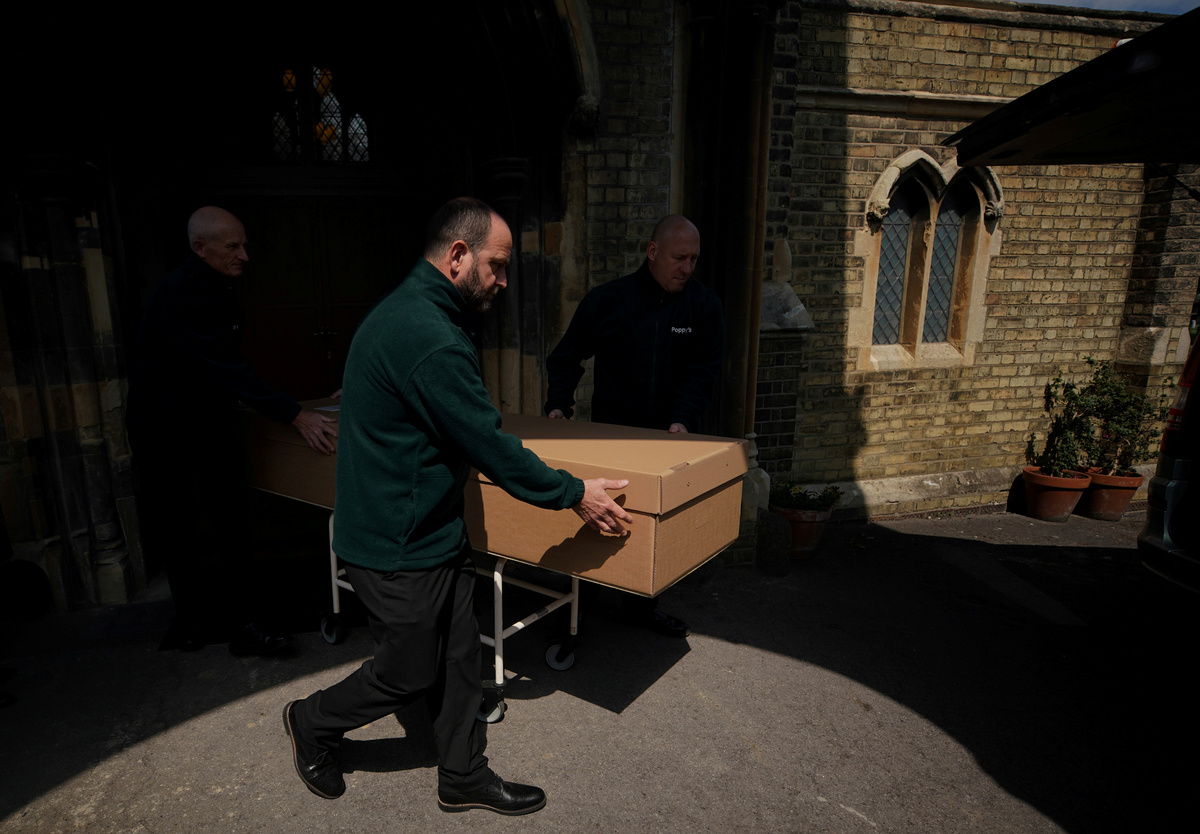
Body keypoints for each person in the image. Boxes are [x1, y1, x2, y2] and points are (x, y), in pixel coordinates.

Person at [283, 198, 632, 816]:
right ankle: (311, 720)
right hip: (395, 544)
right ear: (458, 255)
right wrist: (575, 493)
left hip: (433, 531)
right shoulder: (427, 335)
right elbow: (488, 445)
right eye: (497, 266)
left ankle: (463, 774)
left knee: (462, 655)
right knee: (407, 673)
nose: (504, 281)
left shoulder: (414, 312)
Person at [128, 206, 338, 655]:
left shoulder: (216, 285)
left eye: (244, 244)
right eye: (233, 246)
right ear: (199, 247)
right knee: (179, 527)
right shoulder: (181, 293)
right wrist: (294, 415)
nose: (244, 255)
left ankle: (239, 625)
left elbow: (217, 364)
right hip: (165, 430)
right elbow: (223, 366)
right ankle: (197, 623)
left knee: (231, 521)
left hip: (204, 421)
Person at [544, 214, 723, 638]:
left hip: (668, 437)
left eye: (694, 259)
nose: (687, 268)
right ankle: (579, 605)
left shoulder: (703, 306)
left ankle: (642, 606)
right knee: (600, 516)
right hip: (612, 433)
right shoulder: (609, 300)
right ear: (652, 251)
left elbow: (703, 371)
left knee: (654, 525)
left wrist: (683, 419)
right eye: (679, 258)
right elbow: (566, 356)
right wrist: (558, 406)